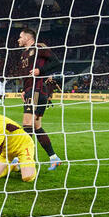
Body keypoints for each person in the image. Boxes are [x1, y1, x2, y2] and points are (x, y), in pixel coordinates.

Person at [16, 28, 62, 170]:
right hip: (31, 90)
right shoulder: (23, 54)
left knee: (27, 124)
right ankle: (54, 158)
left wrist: (40, 71)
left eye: (20, 37)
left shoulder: (39, 47)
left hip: (37, 90)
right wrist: (24, 89)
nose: (18, 39)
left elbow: (56, 62)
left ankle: (22, 158)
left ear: (28, 37)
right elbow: (26, 75)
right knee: (36, 126)